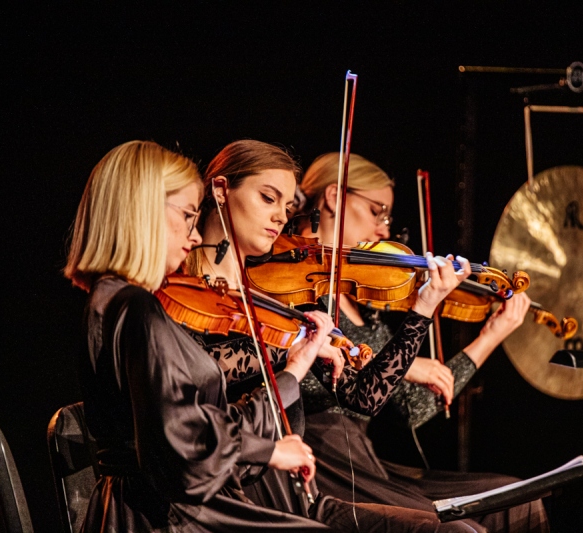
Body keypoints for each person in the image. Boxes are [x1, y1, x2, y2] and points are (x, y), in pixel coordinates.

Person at [186, 139, 476, 532]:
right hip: (233, 490)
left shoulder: (277, 296)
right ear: (221, 191)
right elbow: (199, 386)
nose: (279, 218)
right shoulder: (181, 291)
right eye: (268, 198)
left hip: (295, 490)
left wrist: (424, 307)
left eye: (286, 207)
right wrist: (292, 351)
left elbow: (365, 396)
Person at [64, 140, 335, 531]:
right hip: (164, 515)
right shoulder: (134, 306)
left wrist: (292, 375)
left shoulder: (110, 300)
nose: (193, 238)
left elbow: (184, 426)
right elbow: (185, 446)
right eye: (188, 215)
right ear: (144, 210)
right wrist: (269, 449)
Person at [295, 152, 550, 533]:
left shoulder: (365, 300)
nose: (383, 229)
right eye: (376, 211)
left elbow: (411, 407)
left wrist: (490, 337)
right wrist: (406, 362)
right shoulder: (295, 285)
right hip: (324, 460)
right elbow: (310, 379)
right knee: (461, 530)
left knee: (517, 497)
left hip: (367, 462)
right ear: (334, 196)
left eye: (387, 217)